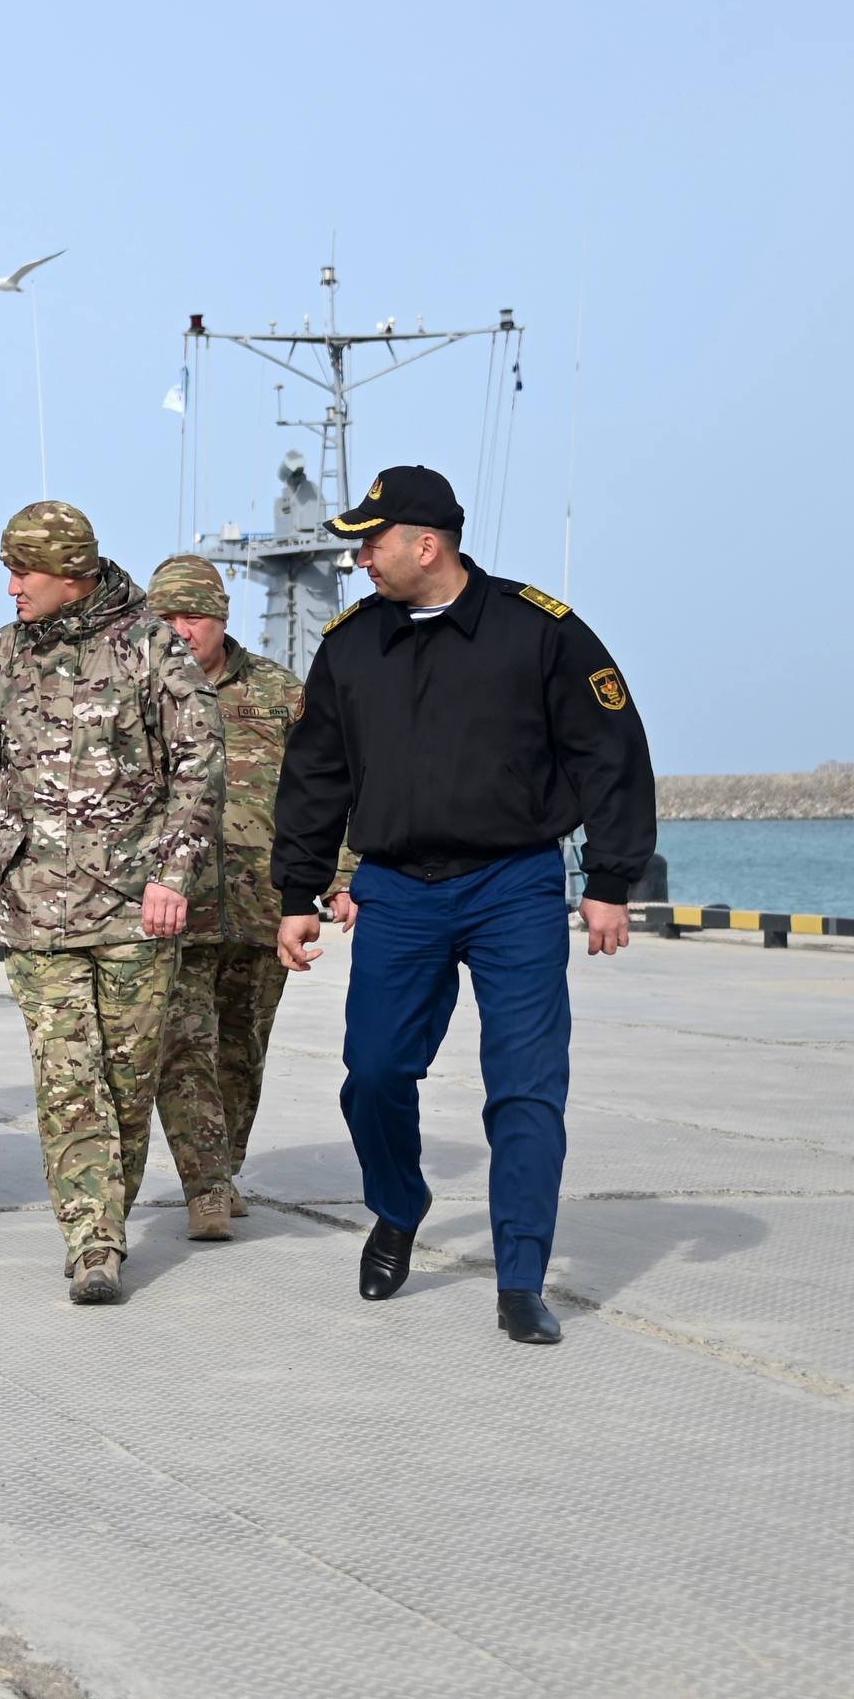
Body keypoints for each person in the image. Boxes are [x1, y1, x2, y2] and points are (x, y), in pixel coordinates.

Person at [273, 466, 656, 1345]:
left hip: (513, 884)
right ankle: (398, 1206)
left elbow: (612, 752)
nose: (359, 559)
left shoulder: (540, 631)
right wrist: (297, 890)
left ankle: (521, 1276)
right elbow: (314, 777)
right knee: (373, 1074)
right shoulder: (350, 646)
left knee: (526, 1086)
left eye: (371, 543)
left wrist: (609, 880)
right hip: (397, 887)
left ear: (426, 544)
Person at [0, 503, 222, 1306]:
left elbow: (199, 761)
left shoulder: (151, 647)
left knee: (128, 1079)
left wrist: (174, 872)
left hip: (136, 908)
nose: (12, 588)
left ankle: (106, 1209)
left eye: (22, 572)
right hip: (35, 906)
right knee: (68, 1076)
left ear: (70, 573)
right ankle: (93, 1240)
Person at [143, 555, 341, 1239]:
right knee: (182, 1046)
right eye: (166, 617)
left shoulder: (279, 692)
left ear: (221, 618)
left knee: (241, 1048)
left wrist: (341, 875)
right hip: (174, 907)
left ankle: (225, 1168)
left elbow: (324, 789)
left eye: (192, 615)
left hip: (262, 905)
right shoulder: (139, 692)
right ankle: (204, 1186)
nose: (180, 629)